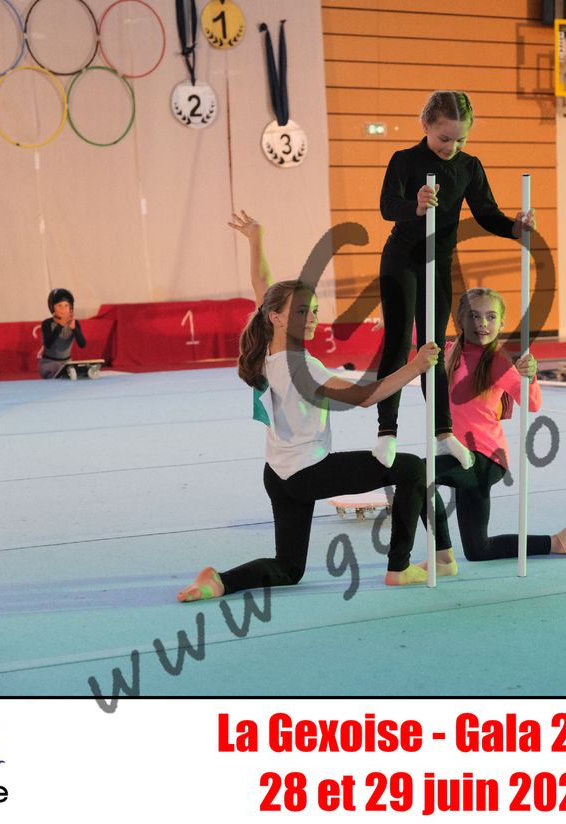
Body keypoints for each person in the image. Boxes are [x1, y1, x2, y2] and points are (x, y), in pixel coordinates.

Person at [178, 212, 438, 602]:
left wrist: (256, 238)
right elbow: (365, 397)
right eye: (303, 311)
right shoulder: (302, 367)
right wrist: (415, 367)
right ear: (278, 318)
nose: (314, 318)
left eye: (314, 309)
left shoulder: (265, 351)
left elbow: (262, 284)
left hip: (278, 473)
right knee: (412, 468)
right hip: (308, 472)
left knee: (289, 568)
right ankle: (398, 568)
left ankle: (219, 581)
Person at [372, 90, 535, 472]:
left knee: (432, 348)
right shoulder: (404, 160)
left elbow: (486, 213)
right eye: (444, 138)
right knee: (398, 345)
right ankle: (387, 430)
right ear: (425, 125)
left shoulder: (469, 167)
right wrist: (415, 205)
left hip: (439, 262)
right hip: (401, 260)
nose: (451, 147)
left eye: (460, 140)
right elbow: (387, 206)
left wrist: (515, 228)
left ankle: (443, 432)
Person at [424, 287, 566, 575]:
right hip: (459, 454)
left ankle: (442, 558)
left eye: (491, 317)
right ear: (460, 319)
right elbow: (418, 343)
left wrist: (530, 376)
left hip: (485, 459)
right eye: (474, 316)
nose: (483, 323)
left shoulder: (498, 362)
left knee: (419, 476)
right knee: (478, 550)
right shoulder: (448, 352)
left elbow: (532, 404)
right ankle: (558, 542)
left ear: (502, 323)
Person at [39, 288, 87, 379]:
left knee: (81, 376)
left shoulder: (74, 323)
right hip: (49, 364)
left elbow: (82, 344)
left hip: (67, 363)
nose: (63, 309)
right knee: (64, 375)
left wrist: (74, 329)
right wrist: (60, 325)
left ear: (71, 308)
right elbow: (48, 344)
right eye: (59, 305)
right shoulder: (47, 323)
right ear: (52, 307)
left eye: (66, 305)